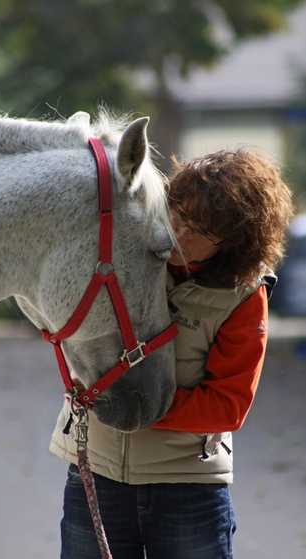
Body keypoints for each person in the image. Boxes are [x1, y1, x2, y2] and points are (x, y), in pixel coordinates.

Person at [51, 147, 293, 558]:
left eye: (200, 232)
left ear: (234, 242)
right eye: (178, 215)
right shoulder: (123, 250)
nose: (179, 236)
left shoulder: (245, 293)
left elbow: (226, 407)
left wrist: (132, 406)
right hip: (97, 471)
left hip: (190, 490)